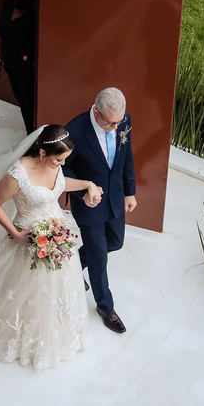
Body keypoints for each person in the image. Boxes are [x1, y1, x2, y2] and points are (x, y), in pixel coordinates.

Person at [0, 124, 104, 371]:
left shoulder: (54, 167)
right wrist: (15, 234)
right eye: (58, 160)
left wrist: (87, 184)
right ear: (41, 154)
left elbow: (60, 183)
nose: (60, 165)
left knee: (61, 287)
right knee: (24, 290)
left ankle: (58, 334)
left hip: (56, 236)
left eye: (64, 160)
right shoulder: (18, 174)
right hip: (29, 239)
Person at [63, 88, 136, 334]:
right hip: (89, 204)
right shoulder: (74, 131)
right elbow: (63, 169)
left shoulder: (122, 120)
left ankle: (73, 264)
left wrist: (130, 191)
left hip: (115, 197)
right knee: (99, 257)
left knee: (115, 242)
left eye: (119, 121)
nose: (117, 127)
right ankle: (105, 307)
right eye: (111, 122)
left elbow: (127, 156)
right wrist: (83, 192)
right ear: (97, 112)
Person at [0, 0, 37, 134]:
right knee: (22, 104)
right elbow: (4, 29)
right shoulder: (9, 4)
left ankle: (34, 143)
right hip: (11, 63)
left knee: (31, 108)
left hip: (26, 69)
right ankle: (29, 139)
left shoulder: (35, 15)